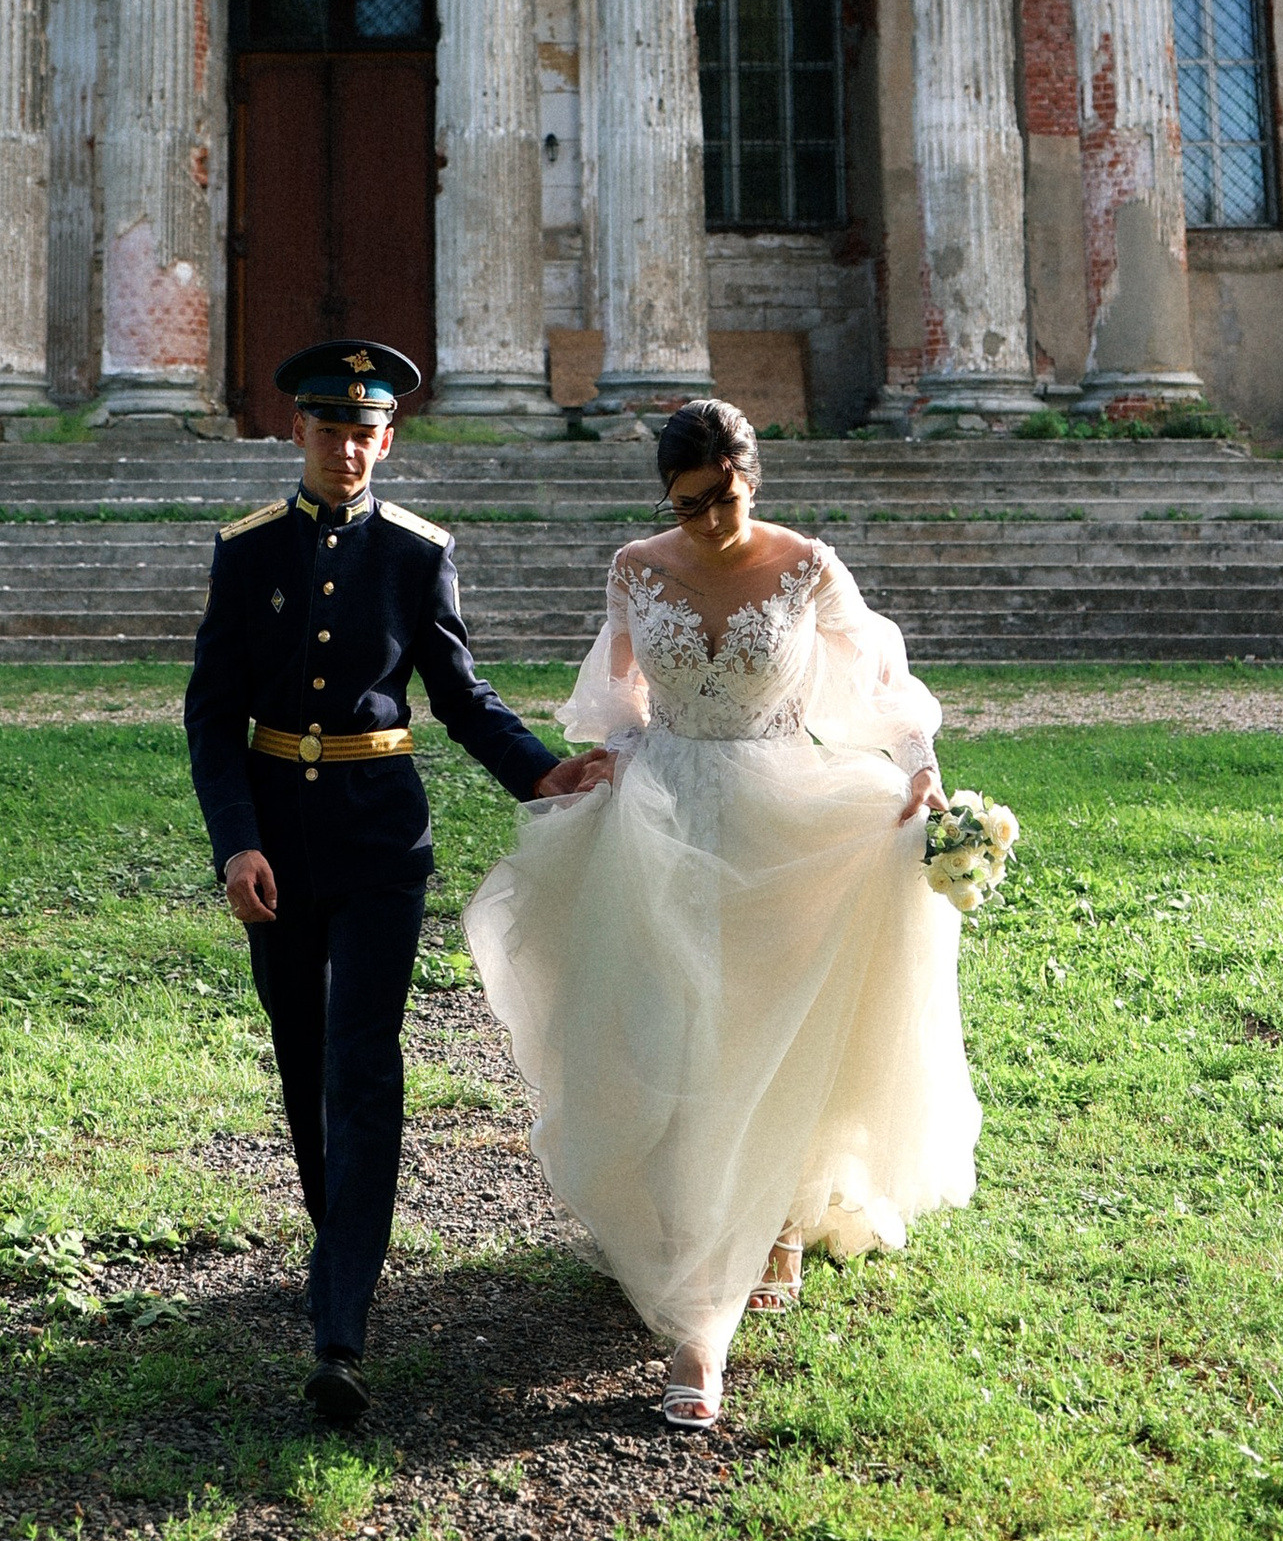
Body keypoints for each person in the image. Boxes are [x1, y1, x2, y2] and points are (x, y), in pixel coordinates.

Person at [465, 395, 978, 1430]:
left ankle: (772, 1228)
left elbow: (882, 683)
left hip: (782, 816)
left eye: (726, 495)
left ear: (753, 475)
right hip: (659, 817)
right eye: (689, 502)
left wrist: (920, 777)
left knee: (766, 1028)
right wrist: (611, 753)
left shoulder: (806, 566)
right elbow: (615, 693)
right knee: (677, 1040)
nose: (709, 520)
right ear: (667, 495)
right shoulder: (635, 567)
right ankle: (701, 1300)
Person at [183, 338, 612, 1430]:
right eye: (329, 429)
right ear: (300, 433)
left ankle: (342, 1324)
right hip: (277, 838)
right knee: (301, 1056)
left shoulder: (418, 556)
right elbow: (210, 715)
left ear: (388, 439)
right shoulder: (248, 554)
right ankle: (341, 1249)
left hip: (381, 843)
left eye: (365, 431)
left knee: (363, 1066)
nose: (347, 448)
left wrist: (538, 772)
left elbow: (459, 696)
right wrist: (235, 843)